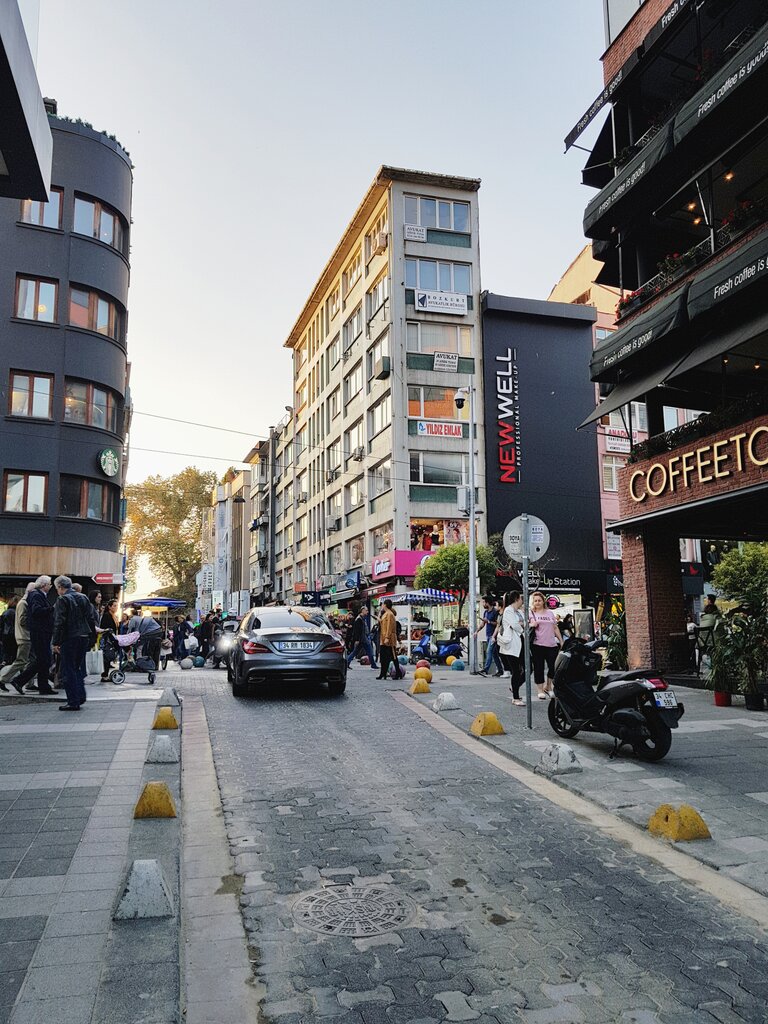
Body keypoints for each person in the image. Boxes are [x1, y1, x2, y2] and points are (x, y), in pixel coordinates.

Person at [52, 575, 93, 710]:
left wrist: (56, 642)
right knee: (77, 667)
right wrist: (91, 637)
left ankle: (73, 701)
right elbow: (90, 618)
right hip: (83, 635)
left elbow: (60, 622)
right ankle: (80, 695)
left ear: (60, 587)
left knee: (68, 669)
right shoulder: (83, 597)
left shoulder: (62, 599)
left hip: (70, 637)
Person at [10, 576, 55, 695]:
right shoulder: (36, 595)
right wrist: (51, 609)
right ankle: (20, 681)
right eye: (49, 584)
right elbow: (36, 611)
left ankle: (41, 686)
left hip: (41, 632)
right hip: (40, 632)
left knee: (43, 660)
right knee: (43, 659)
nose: (51, 586)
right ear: (44, 585)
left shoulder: (38, 595)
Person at [0, 585, 34, 694]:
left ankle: (28, 682)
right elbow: (23, 621)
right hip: (20, 637)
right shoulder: (23, 605)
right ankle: (4, 679)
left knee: (27, 660)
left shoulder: (6, 612)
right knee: (21, 660)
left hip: (11, 637)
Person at [529, 590, 562, 699]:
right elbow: (526, 625)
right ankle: (540, 689)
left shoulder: (550, 613)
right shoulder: (531, 613)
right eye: (535, 601)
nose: (537, 602)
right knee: (539, 667)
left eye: (539, 600)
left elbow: (555, 627)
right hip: (537, 644)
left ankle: (549, 686)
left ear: (543, 601)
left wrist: (561, 641)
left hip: (551, 644)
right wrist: (532, 624)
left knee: (553, 667)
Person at [496, 591, 525, 705]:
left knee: (529, 669)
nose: (522, 601)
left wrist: (524, 624)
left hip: (521, 642)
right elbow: (516, 625)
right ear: (517, 599)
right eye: (521, 599)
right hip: (511, 644)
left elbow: (525, 622)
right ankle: (516, 697)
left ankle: (515, 686)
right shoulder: (508, 610)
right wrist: (524, 626)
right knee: (516, 670)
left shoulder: (518, 611)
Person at [476, 595, 504, 677]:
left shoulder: (495, 612)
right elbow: (482, 624)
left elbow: (497, 624)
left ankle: (486, 669)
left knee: (489, 651)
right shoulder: (486, 612)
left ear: (488, 603)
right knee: (494, 654)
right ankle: (500, 670)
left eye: (484, 602)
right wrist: (476, 631)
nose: (483, 604)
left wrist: (488, 621)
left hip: (494, 636)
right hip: (488, 635)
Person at [377, 600, 403, 680]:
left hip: (388, 639)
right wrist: (379, 619)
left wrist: (387, 637)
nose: (382, 606)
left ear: (385, 605)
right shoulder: (386, 614)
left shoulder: (389, 614)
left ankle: (397, 672)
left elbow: (389, 627)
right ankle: (383, 673)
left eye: (382, 604)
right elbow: (384, 624)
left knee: (392, 656)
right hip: (384, 638)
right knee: (385, 657)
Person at [99, 598, 119, 680]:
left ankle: (105, 674)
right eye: (114, 606)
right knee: (107, 656)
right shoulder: (107, 615)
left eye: (117, 606)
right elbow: (104, 627)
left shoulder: (114, 616)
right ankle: (104, 675)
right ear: (110, 607)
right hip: (108, 639)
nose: (116, 607)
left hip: (113, 638)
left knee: (109, 656)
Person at [1, 597, 18, 667]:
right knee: (14, 654)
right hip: (15, 634)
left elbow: (1, 625)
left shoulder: (5, 613)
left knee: (6, 653)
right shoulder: (17, 613)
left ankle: (4, 665)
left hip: (5, 635)